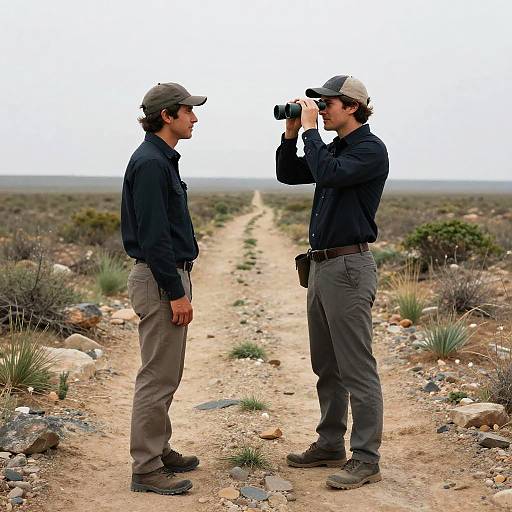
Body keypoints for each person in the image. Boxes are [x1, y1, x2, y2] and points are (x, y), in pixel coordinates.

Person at [275, 75, 388, 490]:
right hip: (321, 268)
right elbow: (290, 174)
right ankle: (329, 443)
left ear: (352, 106)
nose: (320, 110)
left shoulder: (369, 150)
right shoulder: (336, 148)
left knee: (356, 367)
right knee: (326, 364)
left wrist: (309, 132)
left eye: (327, 103)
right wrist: (292, 134)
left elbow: (328, 172)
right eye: (317, 104)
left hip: (349, 269)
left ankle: (366, 457)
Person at [121, 82, 206, 495]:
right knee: (157, 376)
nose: (195, 117)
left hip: (164, 276)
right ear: (167, 116)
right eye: (188, 111)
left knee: (166, 372)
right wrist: (176, 292)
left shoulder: (160, 159)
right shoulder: (153, 163)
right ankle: (146, 467)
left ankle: (159, 448)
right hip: (160, 280)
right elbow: (154, 237)